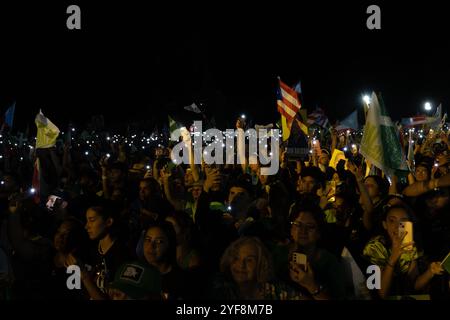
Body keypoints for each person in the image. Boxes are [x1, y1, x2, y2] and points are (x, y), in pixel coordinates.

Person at [363, 204, 445, 299]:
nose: (397, 226)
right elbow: (380, 294)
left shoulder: (409, 245)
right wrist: (393, 257)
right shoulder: (374, 247)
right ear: (385, 225)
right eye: (392, 221)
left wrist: (430, 272)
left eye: (403, 222)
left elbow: (414, 285)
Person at [274, 203, 346, 300]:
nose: (303, 231)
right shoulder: (278, 254)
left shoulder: (329, 262)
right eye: (298, 224)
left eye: (310, 226)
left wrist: (311, 286)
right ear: (291, 229)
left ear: (319, 233)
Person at [66, 203, 131, 300]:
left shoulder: (121, 255)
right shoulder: (90, 250)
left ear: (109, 221)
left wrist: (84, 274)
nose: (86, 226)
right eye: (86, 221)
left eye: (92, 220)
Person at [210, 237, 294, 300]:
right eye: (236, 258)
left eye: (249, 260)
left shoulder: (273, 290)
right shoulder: (218, 290)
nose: (241, 265)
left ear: (261, 264)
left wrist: (306, 281)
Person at [142, 222, 187, 300]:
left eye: (159, 241)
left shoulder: (182, 281)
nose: (151, 246)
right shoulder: (138, 273)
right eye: (148, 239)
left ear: (169, 244)